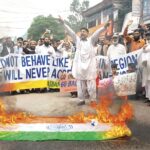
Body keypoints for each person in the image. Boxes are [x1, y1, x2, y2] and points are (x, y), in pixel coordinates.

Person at [59, 16, 109, 106]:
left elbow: (97, 33)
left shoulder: (91, 40)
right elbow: (71, 32)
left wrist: (104, 27)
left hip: (90, 66)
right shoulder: (77, 41)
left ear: (87, 33)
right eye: (81, 32)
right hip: (80, 66)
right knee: (80, 84)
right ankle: (81, 100)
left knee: (91, 84)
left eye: (84, 32)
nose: (82, 33)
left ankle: (93, 100)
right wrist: (63, 23)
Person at [140, 31, 150, 105]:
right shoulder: (146, 44)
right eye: (146, 35)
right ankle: (148, 97)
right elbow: (143, 52)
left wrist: (144, 48)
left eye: (148, 35)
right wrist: (143, 48)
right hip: (146, 65)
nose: (147, 37)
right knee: (146, 81)